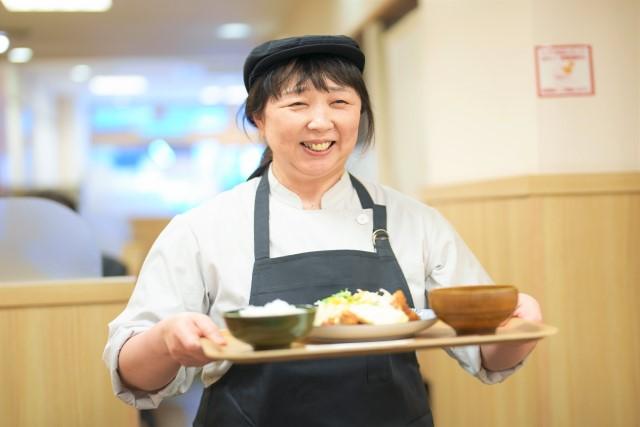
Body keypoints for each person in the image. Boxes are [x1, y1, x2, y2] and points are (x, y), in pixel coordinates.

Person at [103, 35, 542, 427]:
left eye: (339, 102)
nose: (320, 122)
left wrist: (520, 329)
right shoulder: (203, 228)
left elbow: (487, 352)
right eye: (297, 104)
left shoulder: (416, 222)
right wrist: (165, 340)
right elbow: (132, 375)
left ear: (360, 113)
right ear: (258, 118)